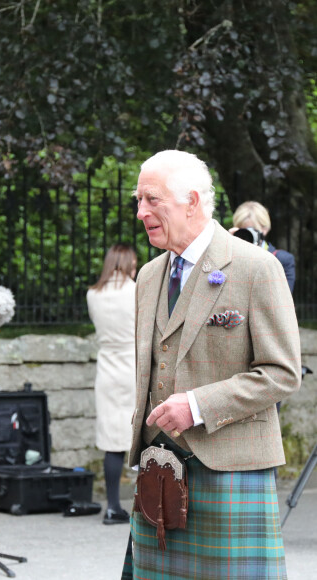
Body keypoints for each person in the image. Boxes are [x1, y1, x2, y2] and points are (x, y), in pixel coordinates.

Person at [123, 150, 301, 579]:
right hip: (158, 471)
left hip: (231, 473)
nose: (140, 211)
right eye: (138, 200)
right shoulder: (148, 276)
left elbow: (282, 372)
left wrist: (198, 406)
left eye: (151, 199)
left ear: (192, 201)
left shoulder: (256, 268)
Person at [86, 244, 136, 525]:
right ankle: (147, 505)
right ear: (128, 263)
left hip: (107, 370)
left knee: (112, 442)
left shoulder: (93, 294)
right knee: (143, 437)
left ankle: (113, 506)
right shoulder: (137, 289)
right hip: (134, 367)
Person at [230, 200, 295, 293]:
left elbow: (284, 297)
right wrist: (228, 244)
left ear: (265, 229)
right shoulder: (231, 256)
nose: (249, 234)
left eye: (253, 230)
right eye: (243, 230)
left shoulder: (283, 259)